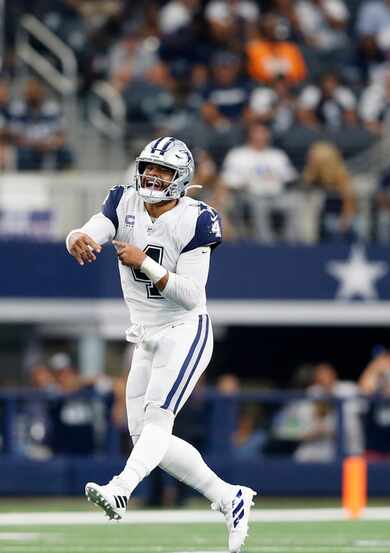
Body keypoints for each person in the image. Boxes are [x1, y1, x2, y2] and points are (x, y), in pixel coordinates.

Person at [67, 137, 255, 553]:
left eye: (163, 171)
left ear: (180, 178)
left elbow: (192, 294)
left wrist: (145, 263)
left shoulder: (197, 218)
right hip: (145, 335)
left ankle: (121, 488)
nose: (152, 176)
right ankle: (229, 497)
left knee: (157, 424)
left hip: (185, 329)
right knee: (145, 437)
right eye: (149, 167)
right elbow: (92, 230)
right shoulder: (124, 200)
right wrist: (75, 237)